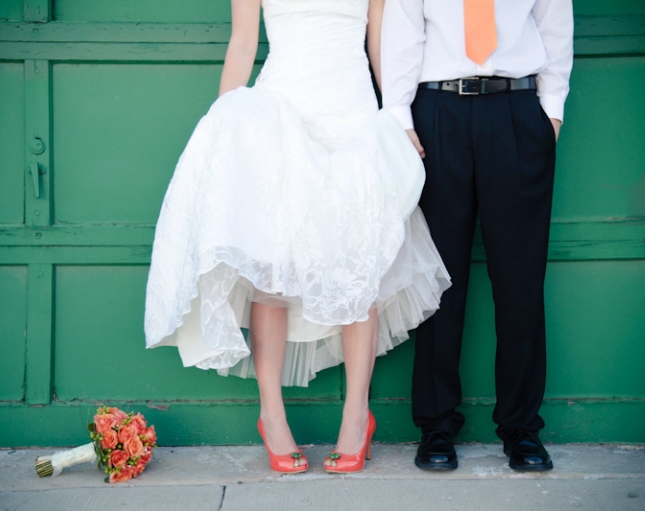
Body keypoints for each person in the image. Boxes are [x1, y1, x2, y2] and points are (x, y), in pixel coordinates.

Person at [144, 0, 451, 475]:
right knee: (274, 269)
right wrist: (225, 126)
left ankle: (356, 418)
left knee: (359, 266)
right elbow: (244, 42)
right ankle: (271, 414)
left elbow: (378, 46)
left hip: (351, 115)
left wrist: (399, 118)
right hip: (281, 113)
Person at [381, 0, 573, 472]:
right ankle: (436, 426)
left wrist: (551, 112)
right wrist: (401, 119)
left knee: (520, 280)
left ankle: (522, 428)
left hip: (515, 111)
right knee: (439, 278)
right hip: (437, 113)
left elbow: (555, 27)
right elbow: (403, 36)